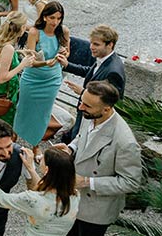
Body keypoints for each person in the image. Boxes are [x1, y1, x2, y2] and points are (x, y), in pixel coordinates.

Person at [61, 81, 143, 236]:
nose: (80, 108)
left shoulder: (125, 142)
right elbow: (82, 136)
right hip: (75, 201)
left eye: (87, 106)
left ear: (106, 109)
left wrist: (87, 182)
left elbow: (131, 182)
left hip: (96, 212)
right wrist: (70, 148)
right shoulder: (90, 114)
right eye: (81, 102)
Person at [0, 145, 78, 235]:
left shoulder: (32, 200)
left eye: (41, 160)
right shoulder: (75, 195)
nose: (39, 160)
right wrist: (31, 169)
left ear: (47, 170)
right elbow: (47, 189)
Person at [13, 1, 71, 146]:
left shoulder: (63, 31)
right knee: (23, 108)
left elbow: (67, 52)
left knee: (43, 114)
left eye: (59, 18)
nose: (55, 22)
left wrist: (64, 53)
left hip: (52, 80)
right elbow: (31, 60)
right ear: (44, 17)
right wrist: (46, 63)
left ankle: (35, 144)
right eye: (52, 18)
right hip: (32, 78)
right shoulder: (35, 32)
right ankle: (13, 136)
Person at [57, 24, 126, 143]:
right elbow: (90, 71)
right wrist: (67, 65)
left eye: (96, 44)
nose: (91, 47)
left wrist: (83, 92)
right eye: (91, 43)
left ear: (110, 45)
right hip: (86, 111)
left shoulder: (113, 71)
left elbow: (110, 100)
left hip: (93, 116)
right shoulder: (104, 59)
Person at [0, 12, 35, 125]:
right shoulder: (8, 48)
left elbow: (0, 59)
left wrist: (19, 52)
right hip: (4, 91)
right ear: (22, 28)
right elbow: (2, 78)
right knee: (2, 124)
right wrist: (23, 65)